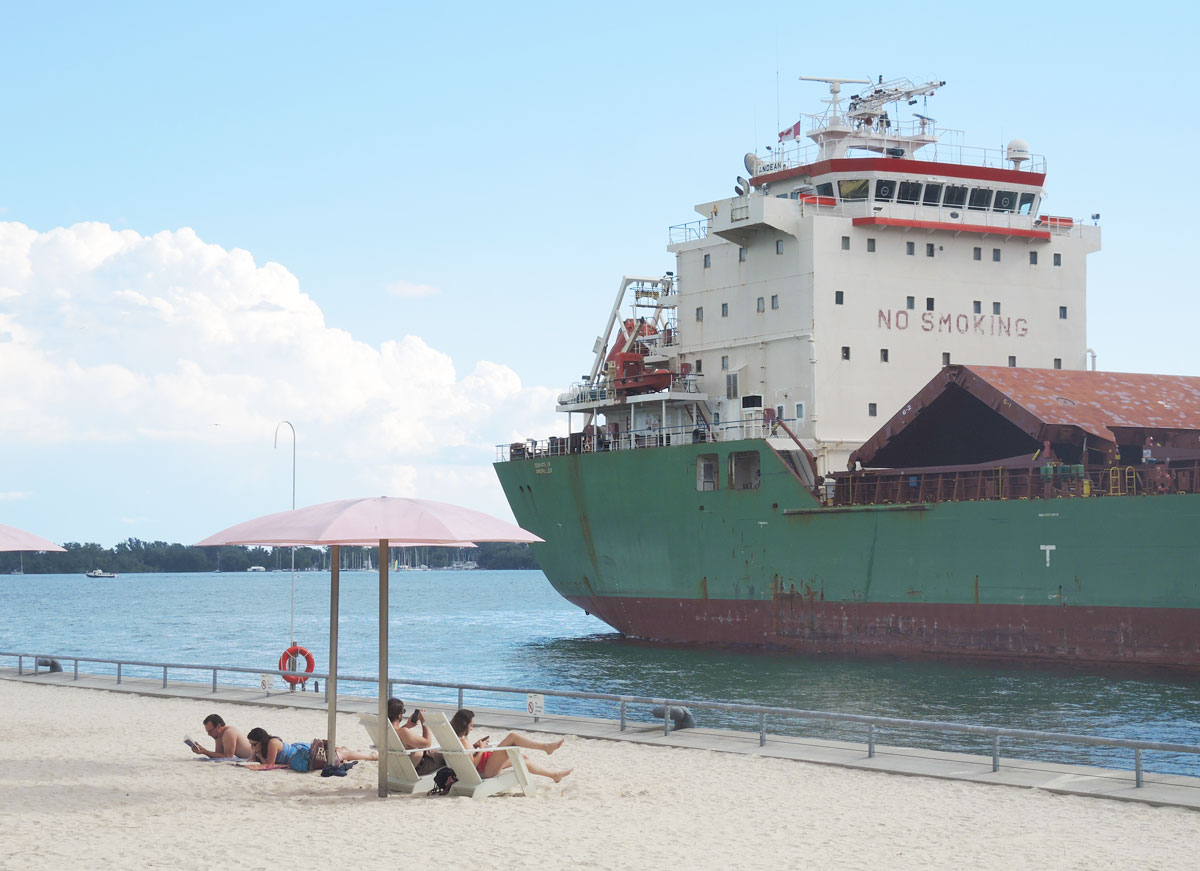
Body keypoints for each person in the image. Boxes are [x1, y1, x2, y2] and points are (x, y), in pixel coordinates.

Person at [449, 708, 572, 783]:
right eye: (471, 725)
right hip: (486, 769)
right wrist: (481, 749)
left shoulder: (458, 740)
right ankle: (546, 747)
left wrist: (475, 747)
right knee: (512, 737)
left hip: (486, 763)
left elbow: (469, 758)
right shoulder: (463, 742)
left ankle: (554, 775)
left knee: (522, 758)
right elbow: (473, 764)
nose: (472, 728)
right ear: (464, 726)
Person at [244, 727, 378, 771]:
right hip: (297, 752)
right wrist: (255, 754)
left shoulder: (272, 743)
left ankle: (371, 756)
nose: (252, 747)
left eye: (254, 744)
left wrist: (259, 755)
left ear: (261, 742)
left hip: (301, 754)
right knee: (338, 753)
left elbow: (269, 764)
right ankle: (347, 750)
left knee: (338, 755)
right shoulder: (261, 747)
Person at [387, 697, 443, 776]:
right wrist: (424, 722)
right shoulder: (404, 732)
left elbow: (398, 736)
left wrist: (407, 725)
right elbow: (427, 743)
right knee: (448, 755)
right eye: (403, 711)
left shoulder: (385, 731)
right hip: (422, 767)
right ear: (399, 715)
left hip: (399, 769)